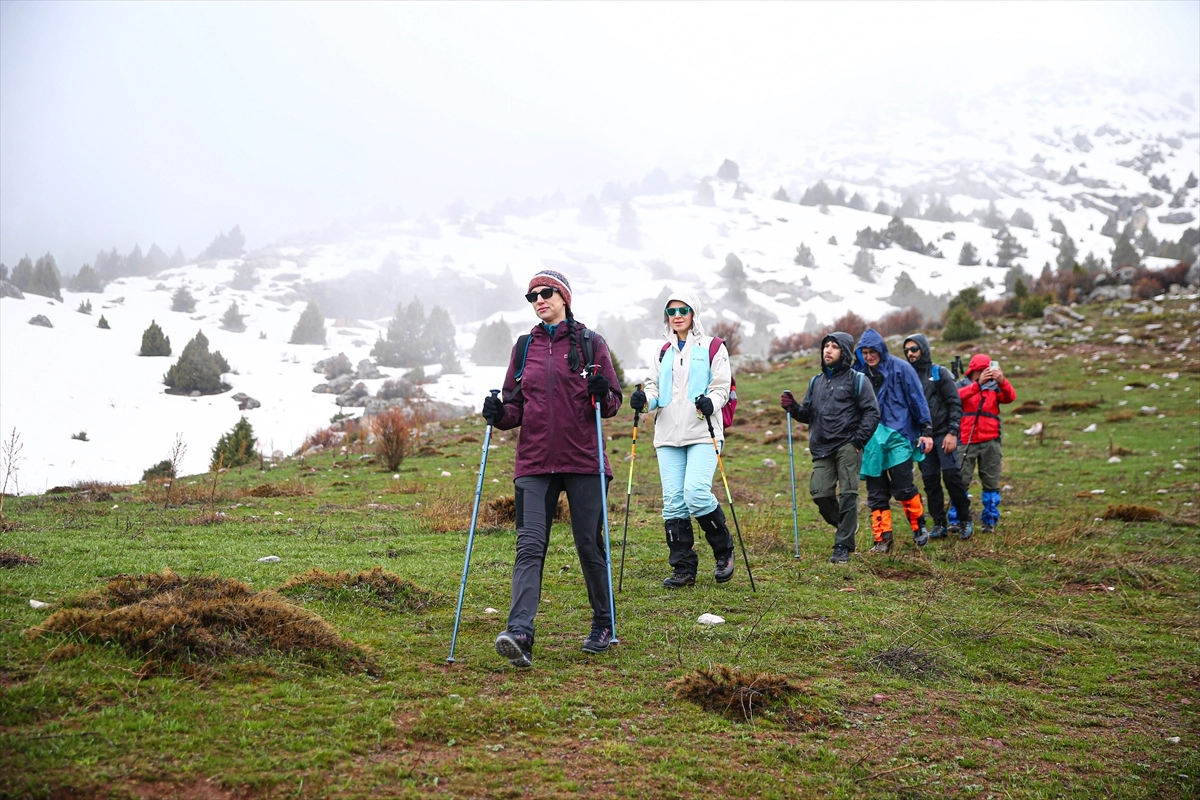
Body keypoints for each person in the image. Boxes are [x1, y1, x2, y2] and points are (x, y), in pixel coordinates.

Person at [481, 269, 623, 668]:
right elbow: (514, 408)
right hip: (534, 462)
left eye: (546, 293)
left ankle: (603, 623)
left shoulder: (591, 343)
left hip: (584, 461)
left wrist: (602, 394)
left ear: (564, 297)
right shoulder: (524, 347)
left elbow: (612, 401)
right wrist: (498, 413)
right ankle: (520, 633)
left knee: (588, 545)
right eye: (532, 297)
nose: (539, 300)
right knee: (529, 547)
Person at [629, 291, 736, 588]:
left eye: (683, 310)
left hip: (702, 431)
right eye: (671, 311)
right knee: (673, 503)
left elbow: (721, 387)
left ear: (694, 313)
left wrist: (711, 403)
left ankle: (724, 552)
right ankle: (683, 568)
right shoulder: (662, 351)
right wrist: (644, 400)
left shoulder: (713, 347)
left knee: (696, 493)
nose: (677, 315)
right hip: (666, 436)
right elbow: (653, 389)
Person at [780, 331, 880, 564]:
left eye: (834, 347)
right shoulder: (816, 381)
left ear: (844, 352)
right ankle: (847, 526)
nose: (828, 350)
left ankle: (842, 546)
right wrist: (793, 407)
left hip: (848, 443)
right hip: (822, 445)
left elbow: (872, 412)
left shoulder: (858, 380)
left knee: (848, 494)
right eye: (826, 346)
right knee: (820, 493)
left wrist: (858, 440)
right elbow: (808, 414)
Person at [853, 329, 934, 554]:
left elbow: (917, 398)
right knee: (876, 492)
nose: (869, 356)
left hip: (899, 436)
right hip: (870, 440)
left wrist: (926, 429)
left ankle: (919, 528)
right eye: (865, 352)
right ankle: (882, 540)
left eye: (872, 351)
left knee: (903, 487)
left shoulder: (901, 368)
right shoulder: (857, 373)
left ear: (881, 350)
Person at [902, 334, 973, 540]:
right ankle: (939, 523)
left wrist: (952, 432)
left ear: (923, 348)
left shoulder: (939, 372)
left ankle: (965, 519)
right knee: (930, 480)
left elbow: (955, 403)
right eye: (907, 350)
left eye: (914, 349)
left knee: (952, 478)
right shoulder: (908, 376)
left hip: (944, 434)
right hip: (923, 437)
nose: (910, 353)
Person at [957, 354, 1016, 534]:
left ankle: (990, 520)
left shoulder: (996, 388)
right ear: (973, 371)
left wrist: (1002, 380)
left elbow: (1010, 397)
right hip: (966, 441)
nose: (985, 374)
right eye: (981, 371)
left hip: (990, 442)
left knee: (991, 482)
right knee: (961, 481)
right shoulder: (962, 385)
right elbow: (955, 397)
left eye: (988, 370)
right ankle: (957, 519)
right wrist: (978, 385)